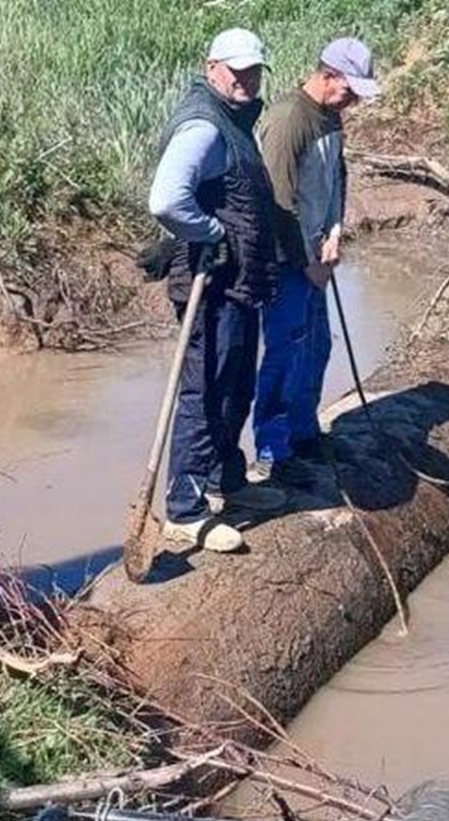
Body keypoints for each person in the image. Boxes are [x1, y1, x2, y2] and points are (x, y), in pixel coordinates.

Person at [147, 27, 287, 553]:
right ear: (212, 68)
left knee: (236, 387)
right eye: (237, 71)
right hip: (211, 281)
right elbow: (166, 200)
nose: (247, 80)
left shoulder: (233, 119)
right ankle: (185, 510)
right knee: (204, 393)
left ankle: (225, 482)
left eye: (254, 71)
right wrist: (209, 233)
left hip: (238, 281)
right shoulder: (204, 126)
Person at [251, 37, 381, 485]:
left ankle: (304, 434)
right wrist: (307, 261)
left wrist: (336, 231)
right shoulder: (289, 120)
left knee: (317, 346)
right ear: (328, 76)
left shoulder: (331, 117)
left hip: (314, 256)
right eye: (349, 91)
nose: (352, 103)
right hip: (287, 260)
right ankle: (273, 448)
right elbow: (277, 202)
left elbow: (336, 177)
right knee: (284, 352)